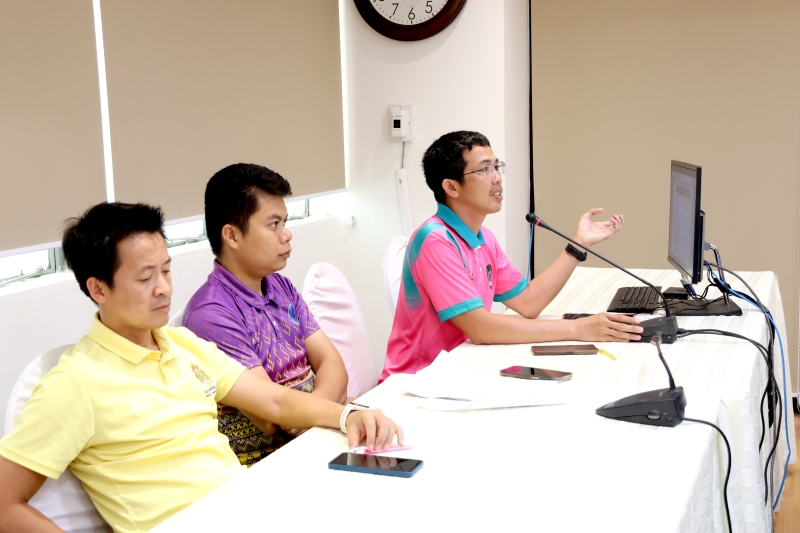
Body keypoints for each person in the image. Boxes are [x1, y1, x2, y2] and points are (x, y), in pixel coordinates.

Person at [0, 202, 401, 533]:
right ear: (98, 288)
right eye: (145, 277)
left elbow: (276, 403)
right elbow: (5, 506)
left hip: (251, 508)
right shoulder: (75, 382)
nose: (164, 288)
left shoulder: (183, 345)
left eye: (166, 270)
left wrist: (347, 415)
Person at [381, 130, 643, 381]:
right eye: (484, 169)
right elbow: (481, 328)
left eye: (496, 167)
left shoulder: (484, 239)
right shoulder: (435, 241)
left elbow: (528, 302)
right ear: (451, 187)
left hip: (461, 371)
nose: (497, 178)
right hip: (414, 383)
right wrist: (578, 328)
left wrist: (578, 244)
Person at [183, 163, 350, 466]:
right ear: (232, 236)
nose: (286, 234)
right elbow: (271, 419)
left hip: (315, 435)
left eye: (284, 222)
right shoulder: (211, 314)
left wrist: (314, 410)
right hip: (268, 461)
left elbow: (333, 363)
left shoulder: (280, 286)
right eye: (273, 224)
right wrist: (324, 411)